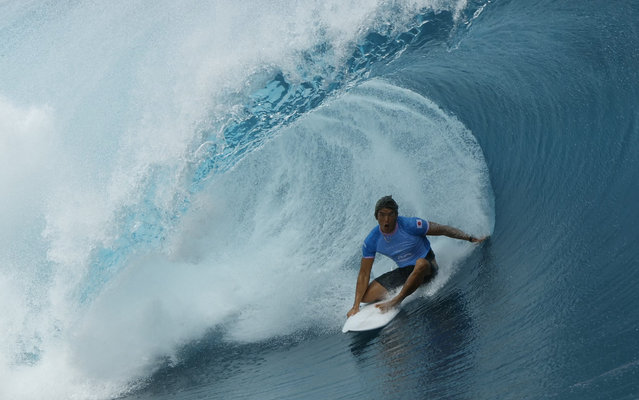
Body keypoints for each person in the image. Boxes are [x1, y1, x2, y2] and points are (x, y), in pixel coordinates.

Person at [347, 195, 488, 317]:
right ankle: (405, 285)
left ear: (396, 215)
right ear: (376, 216)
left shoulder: (411, 225)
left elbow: (443, 229)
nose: (386, 219)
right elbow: (364, 273)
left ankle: (396, 300)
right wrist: (355, 306)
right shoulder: (372, 240)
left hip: (427, 266)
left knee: (420, 264)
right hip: (405, 272)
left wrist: (470, 238)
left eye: (390, 214)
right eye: (382, 214)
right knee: (365, 296)